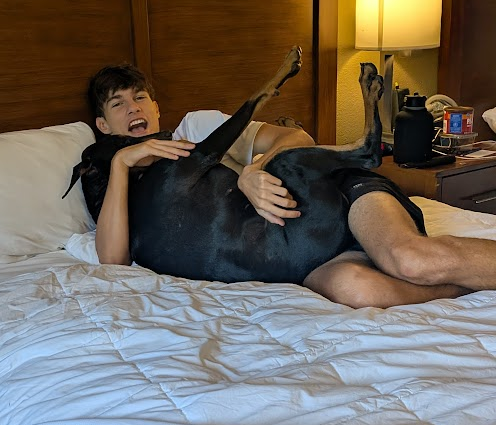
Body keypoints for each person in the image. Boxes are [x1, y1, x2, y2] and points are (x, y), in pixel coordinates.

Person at [88, 63, 496, 309]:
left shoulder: (197, 127)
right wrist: (123, 163)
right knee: (358, 291)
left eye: (140, 97)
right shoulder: (122, 182)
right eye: (118, 104)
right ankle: (463, 286)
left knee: (410, 261)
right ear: (103, 125)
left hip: (332, 194)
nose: (133, 108)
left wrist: (252, 172)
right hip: (300, 247)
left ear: (156, 107)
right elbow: (113, 260)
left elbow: (297, 138)